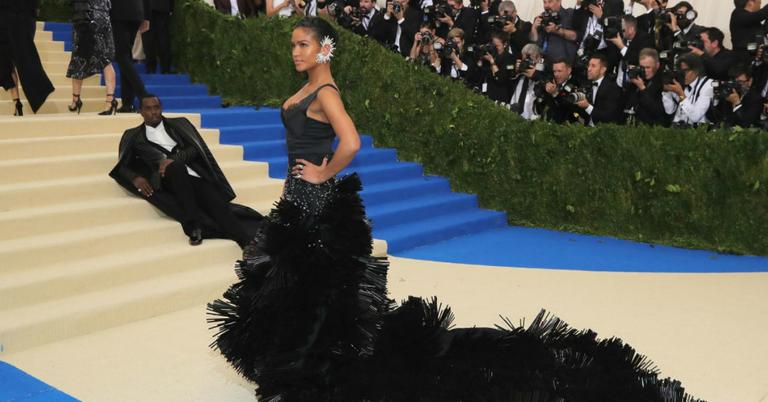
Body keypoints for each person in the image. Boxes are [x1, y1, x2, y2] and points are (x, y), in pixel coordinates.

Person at [207, 17, 699, 401]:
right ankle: (307, 358)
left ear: (325, 49)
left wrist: (321, 173)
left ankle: (309, 366)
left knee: (306, 284)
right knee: (301, 284)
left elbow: (352, 142)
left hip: (313, 198)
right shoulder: (310, 89)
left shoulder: (326, 91)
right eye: (293, 44)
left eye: (303, 44)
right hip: (301, 198)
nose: (295, 51)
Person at [108, 94, 262, 249]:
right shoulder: (133, 135)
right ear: (140, 112)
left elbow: (195, 149)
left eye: (156, 108)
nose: (153, 112)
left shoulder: (179, 124)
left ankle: (245, 243)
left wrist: (175, 158)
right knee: (176, 168)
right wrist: (135, 177)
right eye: (148, 109)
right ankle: (193, 227)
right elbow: (122, 166)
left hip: (194, 175)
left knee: (216, 204)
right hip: (165, 179)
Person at [0, 0, 54, 115]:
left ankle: (17, 102)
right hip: (22, 18)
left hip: (10, 17)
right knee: (19, 59)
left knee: (8, 63)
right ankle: (24, 99)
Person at [67, 0, 118, 115]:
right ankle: (110, 101)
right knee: (105, 58)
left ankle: (76, 99)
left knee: (79, 56)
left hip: (86, 15)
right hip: (103, 15)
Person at [111, 0, 149, 113]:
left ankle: (145, 98)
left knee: (121, 56)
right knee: (126, 56)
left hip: (118, 12)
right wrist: (146, 16)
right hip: (136, 12)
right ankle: (127, 103)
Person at [665, 53, 714, 126]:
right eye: (680, 71)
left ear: (696, 70)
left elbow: (695, 117)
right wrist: (666, 92)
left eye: (686, 70)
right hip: (678, 129)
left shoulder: (708, 85)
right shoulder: (681, 84)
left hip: (698, 132)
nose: (682, 74)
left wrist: (681, 94)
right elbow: (669, 110)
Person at [626, 48, 671, 126]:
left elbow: (658, 111)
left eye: (648, 67)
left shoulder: (664, 81)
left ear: (657, 65)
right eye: (642, 67)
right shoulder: (637, 80)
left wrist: (642, 88)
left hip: (655, 129)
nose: (644, 71)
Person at [575, 53, 624, 125]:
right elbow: (577, 113)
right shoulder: (586, 85)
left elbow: (609, 117)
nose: (589, 69)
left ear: (603, 70)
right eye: (589, 65)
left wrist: (587, 107)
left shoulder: (612, 88)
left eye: (593, 66)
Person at [530, 0, 578, 64]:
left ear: (559, 2)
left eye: (550, 2)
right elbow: (534, 43)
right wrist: (534, 28)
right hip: (542, 64)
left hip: (562, 65)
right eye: (544, 2)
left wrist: (557, 30)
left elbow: (575, 36)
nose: (546, 5)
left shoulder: (570, 14)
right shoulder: (541, 18)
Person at [142, 0, 174, 74]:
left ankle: (150, 68)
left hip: (146, 6)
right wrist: (171, 7)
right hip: (163, 6)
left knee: (148, 37)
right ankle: (166, 68)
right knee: (163, 36)